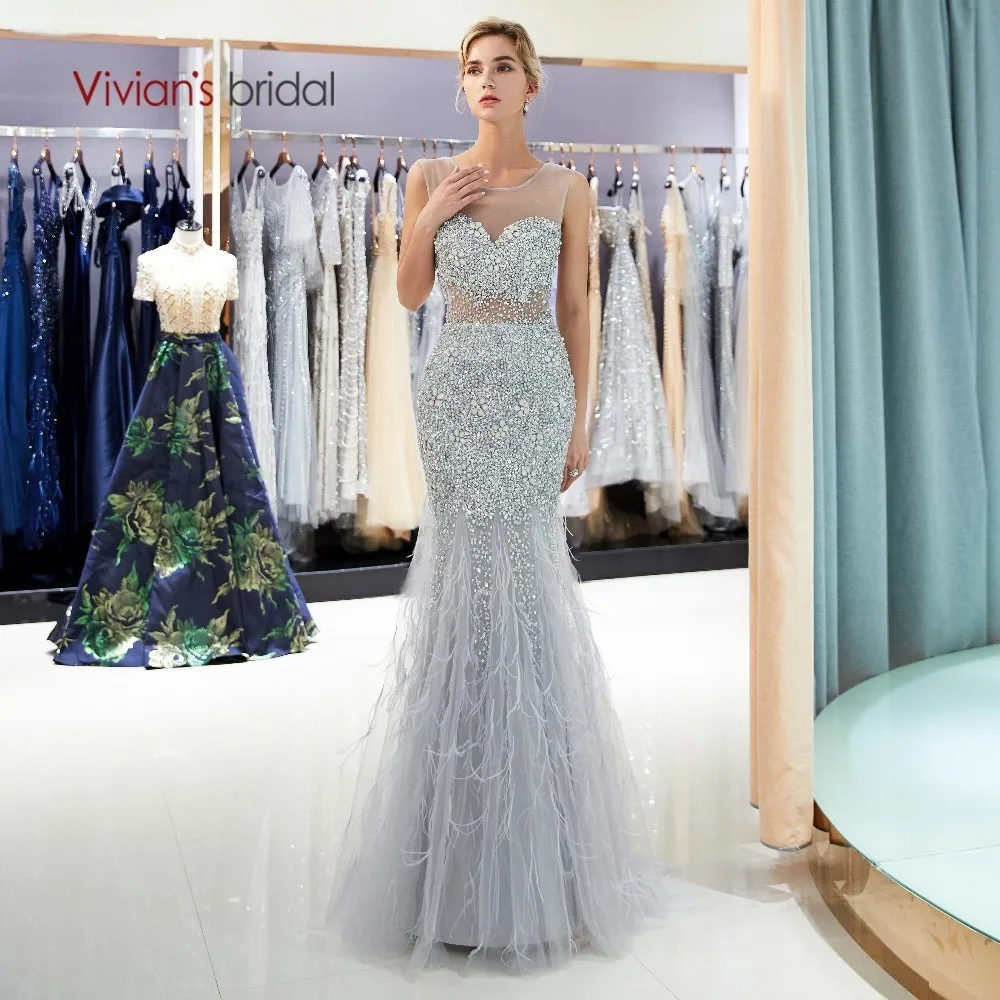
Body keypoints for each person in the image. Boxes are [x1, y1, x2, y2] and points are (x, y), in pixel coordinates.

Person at [329, 16, 664, 973]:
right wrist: (432, 214)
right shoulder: (429, 177)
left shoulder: (569, 188)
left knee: (525, 587)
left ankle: (543, 860)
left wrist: (580, 419)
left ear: (532, 86)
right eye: (473, 69)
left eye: (503, 67)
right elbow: (407, 295)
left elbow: (576, 308)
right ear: (463, 86)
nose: (486, 80)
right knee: (461, 592)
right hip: (456, 394)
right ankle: (450, 863)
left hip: (534, 395)